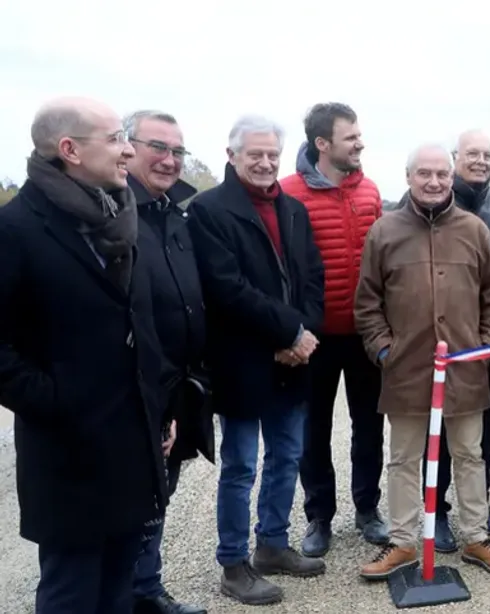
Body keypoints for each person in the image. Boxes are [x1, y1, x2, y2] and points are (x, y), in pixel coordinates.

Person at [0, 97, 168, 612]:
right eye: (117, 138)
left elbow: (137, 321)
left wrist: (158, 410)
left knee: (119, 587)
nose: (127, 151)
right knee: (72, 592)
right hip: (68, 454)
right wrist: (58, 401)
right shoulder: (17, 229)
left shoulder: (119, 219)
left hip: (131, 444)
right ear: (69, 150)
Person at [356, 142, 490, 579]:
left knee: (469, 453)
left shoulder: (473, 229)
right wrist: (384, 349)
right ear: (408, 177)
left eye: (441, 175)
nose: (434, 182)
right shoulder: (385, 231)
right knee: (404, 458)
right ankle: (403, 542)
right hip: (405, 369)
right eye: (424, 174)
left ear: (451, 177)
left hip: (465, 368)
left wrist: (484, 345)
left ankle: (474, 537)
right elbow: (367, 302)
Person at [189, 115, 326, 605]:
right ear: (232, 156)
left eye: (272, 154)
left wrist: (305, 334)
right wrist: (289, 331)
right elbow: (227, 289)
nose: (266, 163)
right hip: (244, 360)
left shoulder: (292, 209)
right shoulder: (207, 211)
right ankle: (233, 562)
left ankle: (272, 544)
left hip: (294, 360)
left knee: (287, 456)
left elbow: (312, 277)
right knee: (241, 466)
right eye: (255, 155)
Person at [280, 102, 389, 558]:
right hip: (314, 337)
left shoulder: (370, 192)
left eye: (360, 136)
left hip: (364, 332)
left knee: (370, 426)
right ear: (322, 144)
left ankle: (368, 509)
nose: (360, 144)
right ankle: (318, 517)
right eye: (351, 137)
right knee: (314, 430)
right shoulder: (289, 193)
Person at [124, 109, 211, 614]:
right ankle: (131, 592)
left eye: (178, 151)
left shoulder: (175, 215)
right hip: (138, 389)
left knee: (161, 497)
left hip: (179, 387)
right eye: (158, 147)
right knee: (133, 502)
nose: (170, 159)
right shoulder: (116, 215)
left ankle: (146, 589)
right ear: (126, 147)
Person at [426, 129, 490, 547]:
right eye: (472, 154)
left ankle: (478, 506)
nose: (480, 161)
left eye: (487, 154)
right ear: (455, 157)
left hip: (489, 341)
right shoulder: (438, 202)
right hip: (441, 340)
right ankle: (439, 511)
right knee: (441, 428)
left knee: (481, 426)